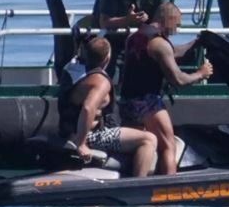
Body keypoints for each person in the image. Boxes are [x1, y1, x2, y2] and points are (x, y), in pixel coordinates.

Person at [119, 2, 213, 176]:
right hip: (147, 103)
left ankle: (134, 182)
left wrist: (196, 43)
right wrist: (201, 73)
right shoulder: (159, 44)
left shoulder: (136, 37)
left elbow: (172, 52)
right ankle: (169, 185)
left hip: (127, 102)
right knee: (168, 146)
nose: (177, 29)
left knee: (139, 146)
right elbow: (179, 80)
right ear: (168, 19)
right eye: (177, 24)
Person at [59, 36, 157, 177]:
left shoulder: (76, 71)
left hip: (73, 130)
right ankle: (137, 184)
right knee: (149, 139)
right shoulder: (101, 82)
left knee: (138, 129)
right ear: (107, 58)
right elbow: (88, 108)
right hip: (90, 136)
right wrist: (81, 143)